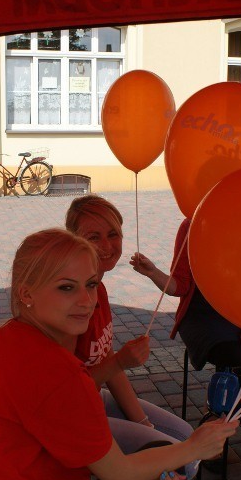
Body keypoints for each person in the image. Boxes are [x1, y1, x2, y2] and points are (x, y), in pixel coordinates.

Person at [0, 228, 239, 480]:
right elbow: (117, 474)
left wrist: (140, 473)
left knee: (160, 462)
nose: (86, 301)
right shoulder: (55, 371)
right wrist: (195, 447)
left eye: (90, 284)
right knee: (172, 477)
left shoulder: (5, 339)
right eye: (66, 288)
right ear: (26, 294)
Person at [65, 195, 196, 463]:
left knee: (183, 434)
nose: (106, 245)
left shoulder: (98, 289)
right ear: (74, 241)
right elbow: (65, 393)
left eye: (113, 234)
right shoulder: (71, 301)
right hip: (69, 415)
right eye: (94, 237)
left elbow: (107, 361)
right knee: (181, 460)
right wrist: (121, 361)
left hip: (92, 400)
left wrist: (144, 423)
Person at [130, 218, 241, 377]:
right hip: (201, 314)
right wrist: (153, 272)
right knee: (238, 361)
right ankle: (220, 399)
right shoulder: (191, 224)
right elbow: (180, 286)